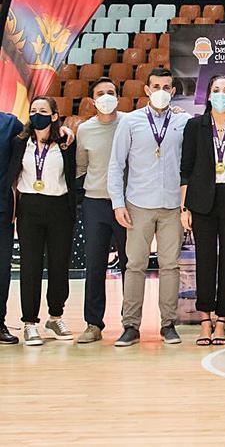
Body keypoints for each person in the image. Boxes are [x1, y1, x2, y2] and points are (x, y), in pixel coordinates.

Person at [107, 67, 189, 347]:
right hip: (138, 204)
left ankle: (168, 324)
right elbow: (116, 165)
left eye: (167, 87)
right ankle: (130, 325)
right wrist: (118, 204)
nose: (161, 92)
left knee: (170, 266)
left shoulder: (183, 121)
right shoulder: (130, 122)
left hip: (172, 206)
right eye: (156, 86)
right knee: (135, 265)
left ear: (173, 92)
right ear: (146, 90)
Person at [180, 75, 225, 347]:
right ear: (208, 95)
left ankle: (222, 320)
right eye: (217, 90)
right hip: (202, 201)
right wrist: (184, 207)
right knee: (206, 261)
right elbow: (185, 170)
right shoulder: (195, 126)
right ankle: (205, 320)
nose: (221, 94)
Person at [10, 97, 77, 345]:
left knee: (59, 266)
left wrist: (67, 131)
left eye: (43, 111)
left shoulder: (66, 141)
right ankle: (29, 322)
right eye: (34, 110)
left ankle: (55, 316)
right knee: (30, 266)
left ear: (54, 115)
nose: (37, 114)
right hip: (29, 208)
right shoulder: (20, 142)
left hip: (59, 207)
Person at [74, 79, 127, 344]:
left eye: (111, 93)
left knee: (131, 264)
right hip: (95, 203)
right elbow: (81, 168)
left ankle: (131, 322)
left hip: (127, 203)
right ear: (92, 101)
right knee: (95, 265)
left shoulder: (129, 122)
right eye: (100, 94)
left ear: (118, 96)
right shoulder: (85, 130)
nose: (106, 97)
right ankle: (93, 323)